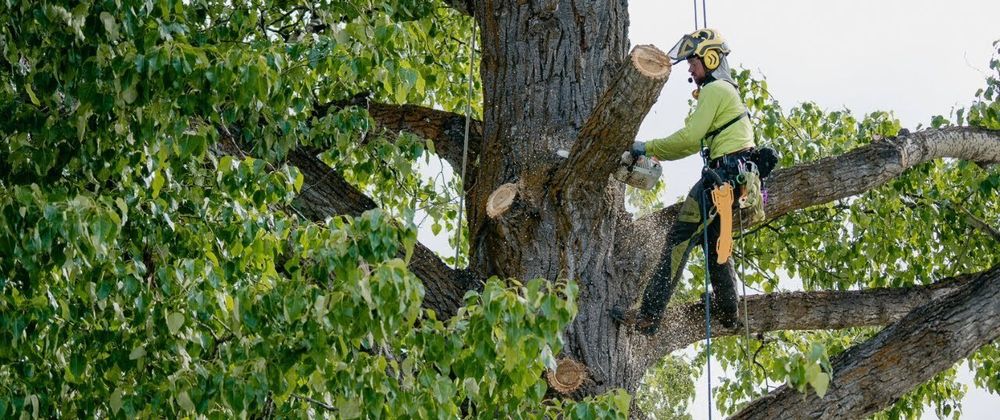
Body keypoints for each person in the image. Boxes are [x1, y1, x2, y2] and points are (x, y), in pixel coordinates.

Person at [616, 29, 754, 335]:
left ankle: (649, 316)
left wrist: (647, 147)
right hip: (734, 179)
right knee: (716, 245)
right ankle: (729, 312)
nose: (690, 69)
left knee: (679, 239)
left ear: (711, 57)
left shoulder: (716, 90)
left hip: (722, 177)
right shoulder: (727, 93)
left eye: (693, 61)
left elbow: (690, 139)